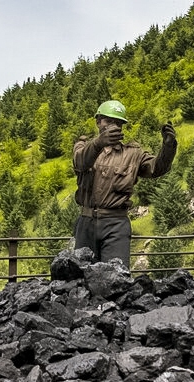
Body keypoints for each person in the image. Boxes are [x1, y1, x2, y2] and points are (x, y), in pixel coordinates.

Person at [72, 99, 177, 267]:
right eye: (109, 121)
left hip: (116, 224)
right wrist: (99, 142)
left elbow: (157, 168)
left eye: (118, 123)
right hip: (86, 223)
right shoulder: (82, 147)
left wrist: (169, 147)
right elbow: (80, 163)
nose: (114, 126)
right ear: (98, 121)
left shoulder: (133, 154)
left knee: (116, 277)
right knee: (79, 278)